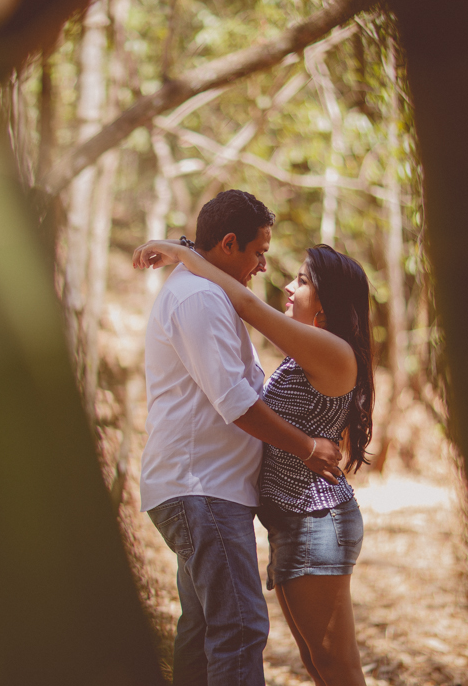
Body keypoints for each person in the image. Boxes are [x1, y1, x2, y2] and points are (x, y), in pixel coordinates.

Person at [135, 234, 374, 686]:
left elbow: (246, 305)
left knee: (337, 666)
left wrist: (186, 253)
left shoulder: (334, 351)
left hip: (316, 522)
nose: (287, 286)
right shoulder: (305, 353)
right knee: (319, 664)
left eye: (301, 281)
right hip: (292, 524)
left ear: (326, 302)